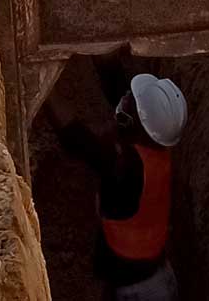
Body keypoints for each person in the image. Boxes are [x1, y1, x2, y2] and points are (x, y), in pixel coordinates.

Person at [56, 74, 187, 300]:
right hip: (154, 280)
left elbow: (77, 141)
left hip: (140, 294)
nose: (125, 98)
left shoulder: (128, 171)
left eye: (131, 102)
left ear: (138, 120)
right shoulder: (154, 144)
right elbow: (118, 88)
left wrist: (48, 94)